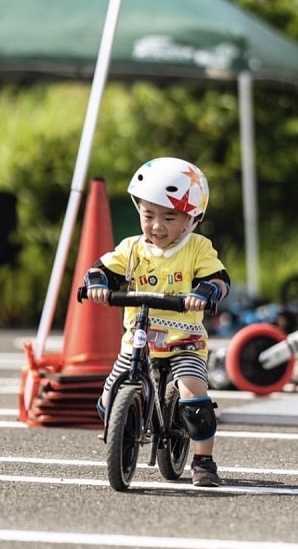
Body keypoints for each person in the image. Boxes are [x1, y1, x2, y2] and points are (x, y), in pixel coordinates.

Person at [82, 156, 231, 487]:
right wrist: (97, 285)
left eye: (169, 217)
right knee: (107, 402)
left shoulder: (196, 248)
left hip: (184, 340)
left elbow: (219, 279)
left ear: (190, 219)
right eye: (149, 215)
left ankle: (203, 460)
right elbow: (101, 268)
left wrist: (204, 292)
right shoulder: (133, 249)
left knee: (194, 395)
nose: (157, 226)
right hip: (138, 338)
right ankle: (125, 428)